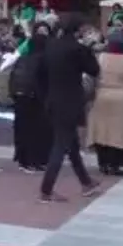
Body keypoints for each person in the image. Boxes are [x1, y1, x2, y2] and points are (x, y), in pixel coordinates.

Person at [38, 14, 102, 202]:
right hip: (70, 101)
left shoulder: (51, 46)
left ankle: (86, 182)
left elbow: (41, 74)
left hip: (53, 99)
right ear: (78, 30)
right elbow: (94, 70)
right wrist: (89, 48)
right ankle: (46, 189)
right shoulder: (78, 49)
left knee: (71, 143)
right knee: (60, 145)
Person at [86, 33, 123, 176]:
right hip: (121, 98)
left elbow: (92, 75)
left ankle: (103, 162)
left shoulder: (101, 58)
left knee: (102, 131)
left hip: (102, 96)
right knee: (119, 133)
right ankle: (116, 164)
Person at [10, 23, 51, 172]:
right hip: (35, 97)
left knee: (22, 127)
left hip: (20, 95)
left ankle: (22, 159)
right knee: (36, 129)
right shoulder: (44, 58)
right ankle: (35, 160)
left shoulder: (23, 58)